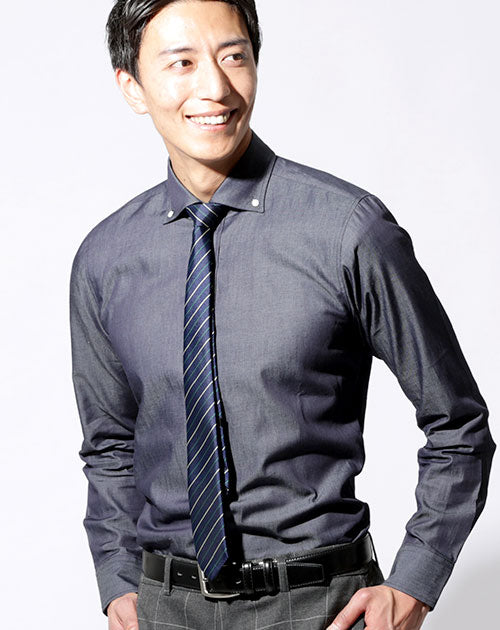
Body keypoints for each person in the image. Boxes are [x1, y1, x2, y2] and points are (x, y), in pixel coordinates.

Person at [69, 1, 496, 629]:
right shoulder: (106, 258)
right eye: (182, 63)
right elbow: (109, 446)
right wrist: (116, 580)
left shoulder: (348, 230)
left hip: (321, 606)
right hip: (166, 610)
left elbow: (458, 423)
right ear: (132, 86)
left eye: (233, 56)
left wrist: (414, 583)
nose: (215, 86)